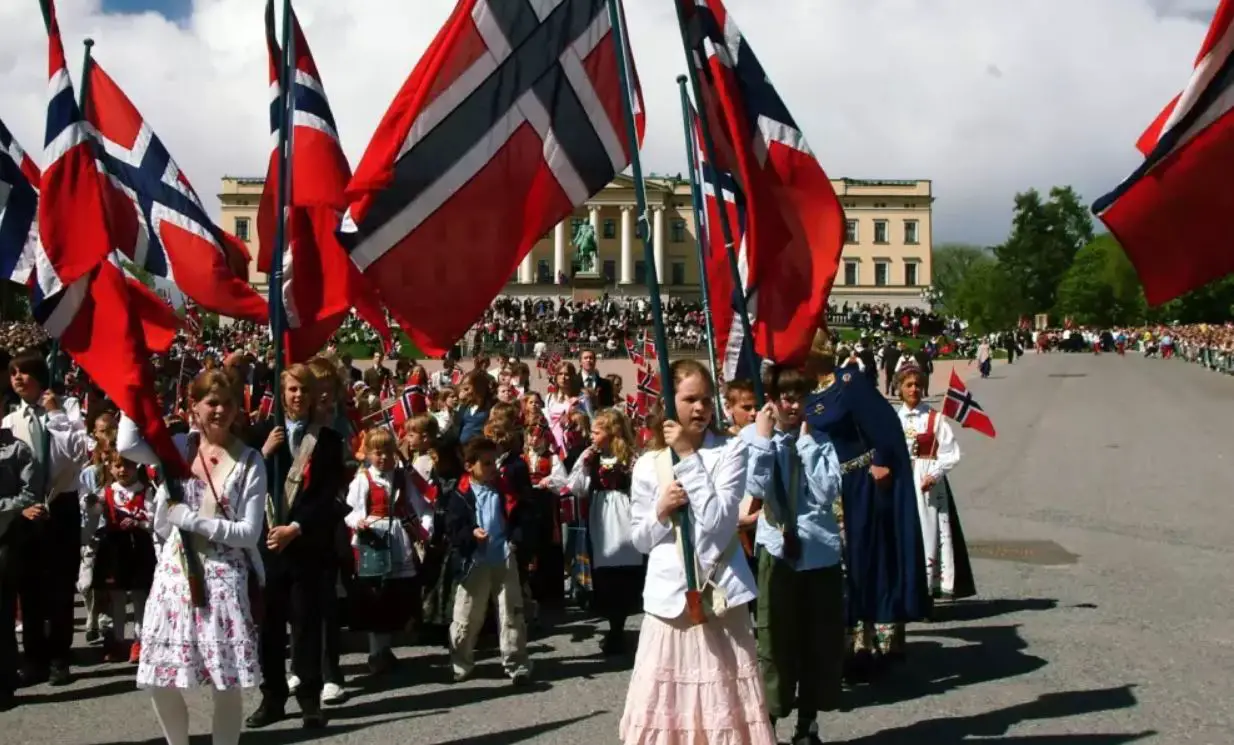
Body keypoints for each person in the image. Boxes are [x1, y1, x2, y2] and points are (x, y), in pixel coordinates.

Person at [619, 359, 774, 745]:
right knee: (670, 711)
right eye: (690, 399)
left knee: (723, 706)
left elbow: (720, 524)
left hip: (720, 597)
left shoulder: (730, 450)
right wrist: (661, 510)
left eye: (706, 399)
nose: (701, 408)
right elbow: (640, 540)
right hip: (669, 603)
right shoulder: (647, 464)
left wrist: (689, 459)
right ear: (668, 403)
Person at [117, 369, 266, 745]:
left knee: (226, 681)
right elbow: (126, 444)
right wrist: (132, 384)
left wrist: (195, 521)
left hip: (223, 577)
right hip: (175, 573)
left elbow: (249, 533)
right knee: (160, 679)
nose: (220, 410)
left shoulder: (249, 460)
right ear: (194, 407)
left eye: (228, 403)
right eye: (211, 402)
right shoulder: (179, 446)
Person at [801, 330, 928, 679]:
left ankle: (874, 644)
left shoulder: (847, 382)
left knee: (865, 559)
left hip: (859, 485)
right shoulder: (800, 391)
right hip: (823, 489)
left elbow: (884, 423)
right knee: (835, 566)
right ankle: (841, 645)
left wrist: (882, 458)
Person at [743, 365, 845, 744]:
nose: (792, 404)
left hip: (819, 552)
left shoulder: (823, 440)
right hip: (776, 551)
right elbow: (754, 486)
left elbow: (826, 493)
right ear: (772, 399)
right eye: (785, 396)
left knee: (817, 641)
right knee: (774, 640)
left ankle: (808, 722)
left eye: (800, 396)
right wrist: (766, 440)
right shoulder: (757, 437)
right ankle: (768, 723)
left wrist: (804, 443)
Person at [246, 364, 349, 730]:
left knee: (307, 626)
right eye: (291, 390)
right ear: (282, 393)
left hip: (307, 545)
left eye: (303, 390)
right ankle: (272, 698)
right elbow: (239, 484)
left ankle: (309, 699)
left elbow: (328, 496)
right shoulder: (259, 434)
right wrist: (262, 451)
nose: (297, 396)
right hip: (268, 547)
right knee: (269, 629)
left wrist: (297, 527)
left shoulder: (329, 440)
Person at [4, 350, 88, 686]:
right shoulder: (10, 420)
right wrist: (19, 506)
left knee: (59, 586)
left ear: (41, 375)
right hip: (25, 510)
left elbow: (76, 454)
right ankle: (34, 656)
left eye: (24, 372)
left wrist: (55, 415)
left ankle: (59, 656)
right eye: (13, 374)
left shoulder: (66, 408)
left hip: (60, 504)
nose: (18, 379)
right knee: (30, 586)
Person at [444, 437, 533, 685]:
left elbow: (519, 517)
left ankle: (516, 663)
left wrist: (515, 540)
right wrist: (470, 533)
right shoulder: (460, 494)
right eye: (486, 463)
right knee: (467, 614)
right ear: (470, 466)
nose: (493, 468)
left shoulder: (505, 489)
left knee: (511, 612)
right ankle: (461, 662)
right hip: (474, 561)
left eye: (494, 462)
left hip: (503, 557)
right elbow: (452, 527)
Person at [345, 427, 434, 673]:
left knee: (395, 594)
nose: (383, 458)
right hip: (374, 539)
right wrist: (358, 522)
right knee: (377, 595)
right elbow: (350, 510)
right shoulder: (363, 478)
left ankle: (384, 649)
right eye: (377, 453)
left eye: (387, 452)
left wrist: (423, 530)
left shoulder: (402, 477)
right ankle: (376, 652)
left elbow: (421, 505)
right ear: (369, 454)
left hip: (398, 538)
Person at [895, 365, 975, 603]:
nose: (914, 389)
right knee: (902, 534)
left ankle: (927, 591)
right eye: (908, 385)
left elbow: (951, 453)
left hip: (927, 483)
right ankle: (904, 590)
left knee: (928, 533)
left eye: (918, 385)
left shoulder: (935, 418)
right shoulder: (892, 418)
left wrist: (935, 473)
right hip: (901, 482)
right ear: (899, 388)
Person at [0, 426, 39, 711]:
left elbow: (30, 494)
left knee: (2, 613)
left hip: (4, 538)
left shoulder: (17, 449)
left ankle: (4, 683)